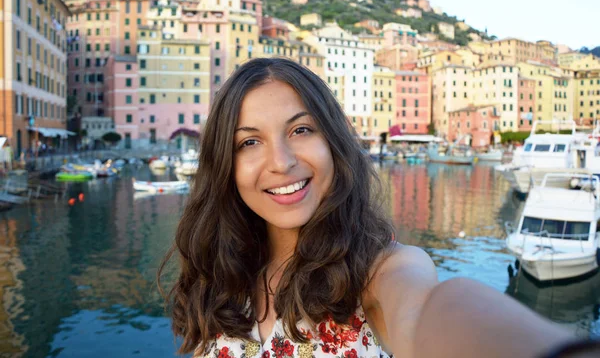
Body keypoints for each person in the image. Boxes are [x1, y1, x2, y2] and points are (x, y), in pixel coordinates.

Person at [158, 58, 598, 358]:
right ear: (225, 165)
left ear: (333, 141)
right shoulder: (218, 280)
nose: (282, 162)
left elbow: (428, 309)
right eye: (249, 142)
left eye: (301, 129)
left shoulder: (381, 272)